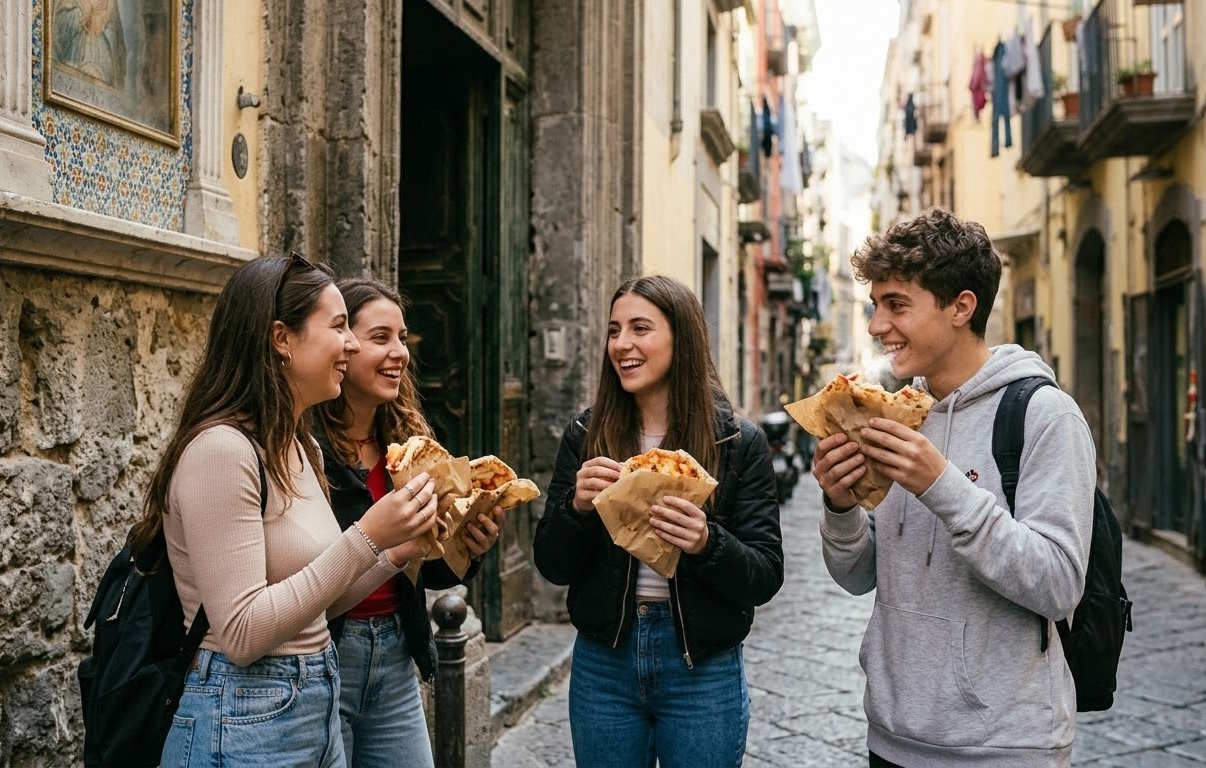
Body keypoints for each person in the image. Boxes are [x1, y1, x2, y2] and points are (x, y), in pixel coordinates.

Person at [812, 209, 1095, 767]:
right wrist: (840, 505)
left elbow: (1059, 584)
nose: (875, 325)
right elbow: (859, 575)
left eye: (896, 305)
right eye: (874, 306)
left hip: (1004, 747)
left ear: (962, 307)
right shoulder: (895, 414)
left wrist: (940, 484)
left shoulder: (1044, 415)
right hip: (891, 738)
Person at [140, 253, 439, 767]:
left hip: (316, 706)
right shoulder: (221, 450)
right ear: (282, 339)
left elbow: (320, 604)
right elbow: (240, 633)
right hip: (241, 717)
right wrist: (366, 536)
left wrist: (397, 550)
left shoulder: (301, 447)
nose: (351, 344)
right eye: (340, 326)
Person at [533, 275, 784, 768]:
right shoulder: (587, 434)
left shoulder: (738, 442)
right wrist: (578, 509)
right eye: (614, 330)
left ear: (681, 339)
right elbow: (552, 564)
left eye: (640, 328)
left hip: (702, 667)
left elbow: (765, 573)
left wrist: (707, 543)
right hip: (605, 662)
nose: (622, 344)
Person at [312, 277, 506, 767]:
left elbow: (429, 568)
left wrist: (470, 546)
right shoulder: (306, 449)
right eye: (381, 338)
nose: (399, 352)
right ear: (343, 346)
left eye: (401, 338)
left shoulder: (411, 445)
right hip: (326, 652)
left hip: (396, 649)